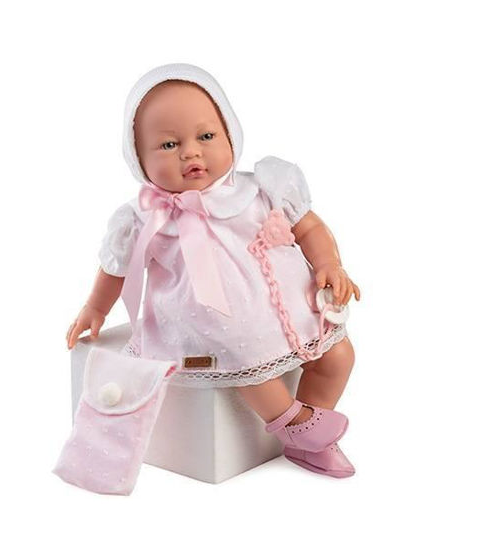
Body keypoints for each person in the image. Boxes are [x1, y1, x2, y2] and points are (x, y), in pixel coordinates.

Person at [66, 63, 361, 478]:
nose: (190, 152)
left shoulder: (262, 189)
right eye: (169, 144)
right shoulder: (144, 218)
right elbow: (116, 268)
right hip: (208, 322)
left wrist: (329, 263)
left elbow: (309, 226)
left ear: (230, 134)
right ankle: (295, 425)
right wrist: (96, 308)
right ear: (138, 159)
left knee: (339, 355)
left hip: (286, 306)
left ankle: (311, 427)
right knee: (242, 357)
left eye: (206, 136)